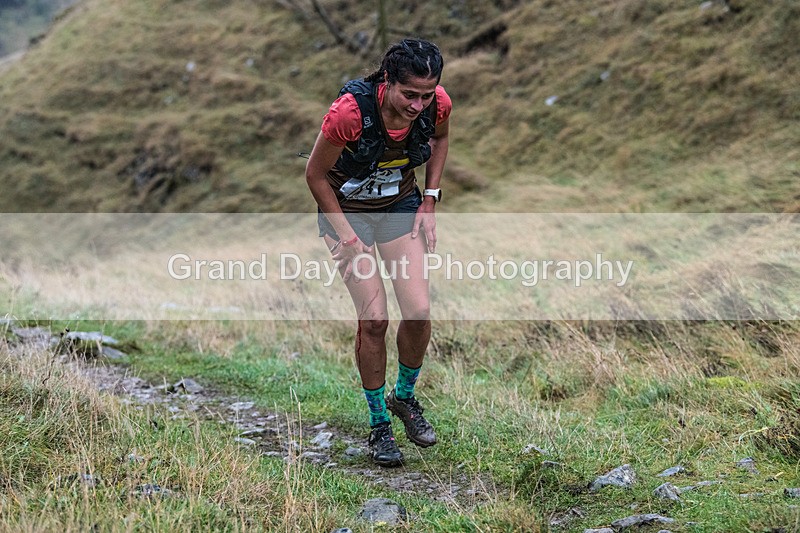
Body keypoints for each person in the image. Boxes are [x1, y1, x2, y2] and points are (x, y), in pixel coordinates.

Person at [305, 38, 451, 467]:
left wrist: (429, 200)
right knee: (374, 319)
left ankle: (403, 399)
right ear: (387, 81)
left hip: (399, 206)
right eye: (410, 94)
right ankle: (379, 426)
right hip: (345, 213)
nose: (419, 105)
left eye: (427, 95)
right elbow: (314, 177)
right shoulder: (350, 112)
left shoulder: (437, 104)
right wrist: (347, 236)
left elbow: (440, 139)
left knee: (419, 311)